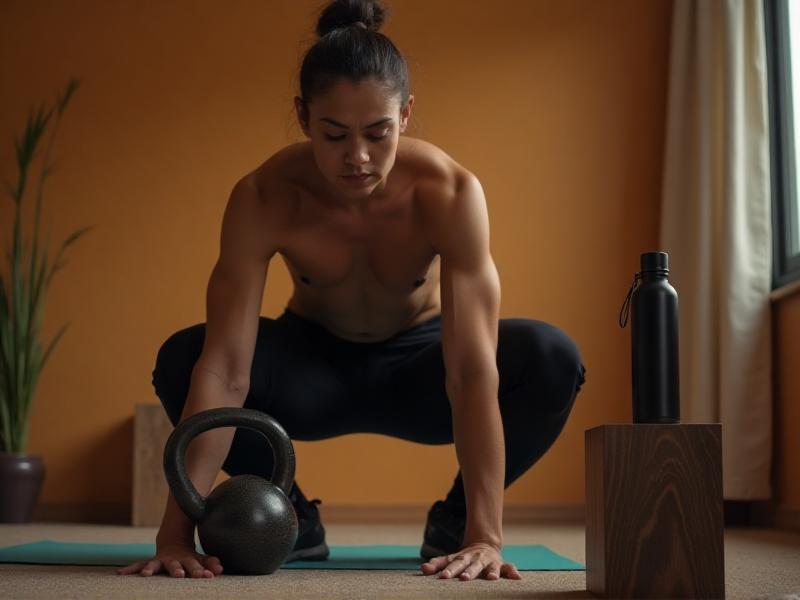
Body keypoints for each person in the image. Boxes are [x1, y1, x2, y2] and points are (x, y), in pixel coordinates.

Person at [118, 0, 586, 583]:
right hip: (311, 371)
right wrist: (174, 533)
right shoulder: (264, 195)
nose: (358, 157)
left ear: (407, 114)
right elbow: (226, 370)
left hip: (422, 369)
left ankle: (456, 526)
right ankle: (285, 515)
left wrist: (486, 537)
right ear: (303, 115)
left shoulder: (449, 191)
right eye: (334, 134)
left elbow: (471, 371)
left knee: (551, 356)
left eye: (378, 132)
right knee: (185, 359)